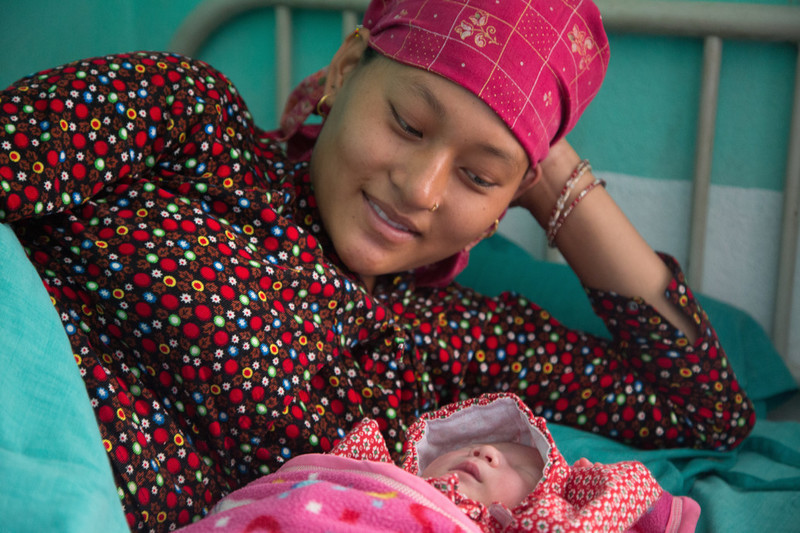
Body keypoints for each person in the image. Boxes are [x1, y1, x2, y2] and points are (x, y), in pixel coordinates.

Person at [0, 0, 753, 530]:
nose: (421, 190)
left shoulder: (450, 345)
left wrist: (556, 179)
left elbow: (704, 410)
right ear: (345, 68)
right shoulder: (190, 125)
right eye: (407, 123)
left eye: (479, 176)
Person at [176, 393, 700, 532]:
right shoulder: (372, 470)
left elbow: (621, 499)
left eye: (518, 466)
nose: (486, 451)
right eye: (472, 446)